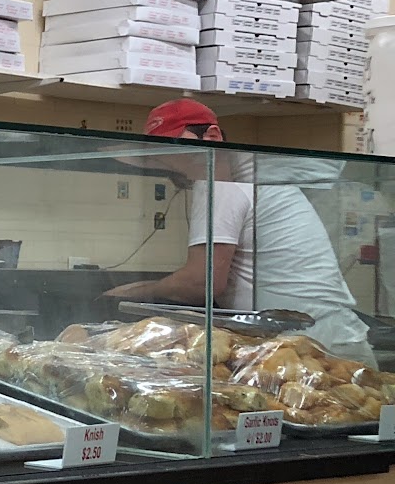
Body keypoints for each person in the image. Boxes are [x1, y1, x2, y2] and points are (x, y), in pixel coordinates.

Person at [103, 98, 370, 360]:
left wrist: (139, 293)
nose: (165, 157)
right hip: (304, 341)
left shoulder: (225, 183)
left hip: (317, 347)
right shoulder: (246, 175)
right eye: (158, 149)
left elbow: (202, 283)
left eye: (172, 145)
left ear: (212, 136)